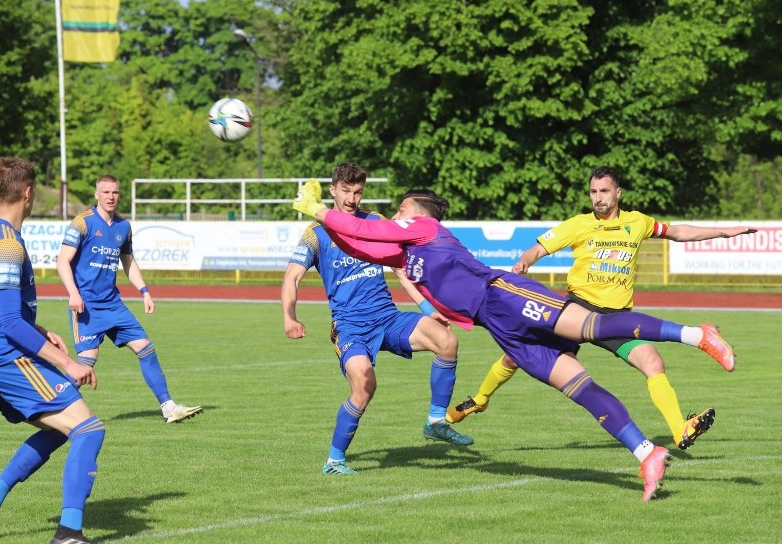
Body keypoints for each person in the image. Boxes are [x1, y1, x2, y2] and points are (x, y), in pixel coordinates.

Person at [293, 180, 737, 500]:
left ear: (420, 216)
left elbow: (373, 231)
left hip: (503, 295)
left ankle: (698, 334)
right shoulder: (405, 250)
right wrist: (325, 220)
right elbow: (361, 245)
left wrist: (317, 209)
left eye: (401, 210)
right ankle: (647, 453)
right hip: (499, 327)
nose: (394, 216)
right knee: (576, 386)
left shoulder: (425, 231)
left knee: (592, 326)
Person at [448, 166, 756, 450]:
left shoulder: (637, 223)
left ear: (618, 192)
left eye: (604, 191)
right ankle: (480, 399)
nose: (598, 198)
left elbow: (677, 232)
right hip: (576, 309)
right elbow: (540, 246)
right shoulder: (579, 225)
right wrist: (526, 260)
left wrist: (725, 231)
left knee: (653, 363)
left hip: (616, 316)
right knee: (516, 355)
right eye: (594, 192)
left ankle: (680, 429)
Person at [282, 162, 472, 475]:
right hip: (350, 325)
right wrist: (290, 316)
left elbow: (400, 268)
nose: (352, 198)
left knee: (447, 340)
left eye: (358, 191)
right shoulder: (316, 233)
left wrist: (428, 309)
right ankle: (335, 460)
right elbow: (292, 277)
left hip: (387, 317)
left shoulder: (374, 221)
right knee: (364, 385)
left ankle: (436, 421)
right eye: (345, 190)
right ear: (333, 190)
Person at [0, 157, 104, 543]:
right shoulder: (7, 244)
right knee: (89, 430)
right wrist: (67, 363)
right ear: (28, 193)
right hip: (1, 356)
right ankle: (68, 533)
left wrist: (41, 330)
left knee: (61, 430)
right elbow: (8, 322)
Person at [56, 175, 201, 424]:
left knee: (146, 349)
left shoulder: (123, 227)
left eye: (115, 192)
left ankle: (169, 408)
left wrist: (144, 291)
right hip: (87, 306)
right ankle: (56, 410)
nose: (111, 197)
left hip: (113, 304)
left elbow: (128, 262)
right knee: (86, 363)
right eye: (106, 192)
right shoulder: (82, 222)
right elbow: (62, 261)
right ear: (96, 194)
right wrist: (73, 293)